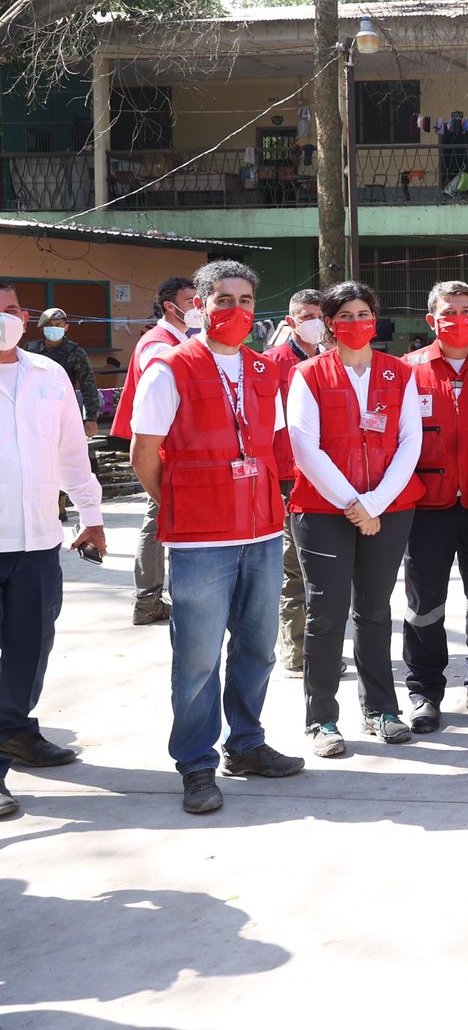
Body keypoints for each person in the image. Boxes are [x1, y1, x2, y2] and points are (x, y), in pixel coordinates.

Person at [129, 260, 306, 815]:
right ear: (199, 306)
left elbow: (273, 445)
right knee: (198, 660)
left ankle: (246, 744)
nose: (236, 309)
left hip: (262, 532)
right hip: (201, 541)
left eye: (245, 300)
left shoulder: (264, 371)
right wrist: (180, 504)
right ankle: (196, 763)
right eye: (223, 299)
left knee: (257, 650)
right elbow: (142, 454)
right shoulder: (169, 368)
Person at [285, 281, 424, 756]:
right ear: (329, 323)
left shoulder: (398, 372)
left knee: (375, 610)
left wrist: (376, 503)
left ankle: (381, 709)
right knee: (325, 613)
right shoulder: (308, 374)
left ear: (375, 319)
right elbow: (304, 445)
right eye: (345, 316)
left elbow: (410, 440)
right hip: (322, 510)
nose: (356, 323)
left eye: (363, 313)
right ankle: (321, 719)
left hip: (388, 508)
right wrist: (353, 503)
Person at [0, 283, 106, 819]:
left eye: (11, 309)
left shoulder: (49, 373)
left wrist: (92, 515)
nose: (6, 319)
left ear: (26, 317)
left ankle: (14, 732)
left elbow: (72, 452)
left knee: (30, 648)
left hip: (38, 540)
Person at [399, 281, 468, 732]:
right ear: (432, 320)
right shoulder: (407, 371)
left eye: (467, 310)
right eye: (449, 311)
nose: (458, 319)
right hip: (428, 506)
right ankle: (424, 690)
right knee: (424, 601)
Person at [112, 274, 198, 626]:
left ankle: (149, 599)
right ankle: (147, 599)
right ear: (169, 306)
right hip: (162, 449)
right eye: (191, 301)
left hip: (172, 447)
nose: (197, 307)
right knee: (158, 517)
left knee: (159, 518)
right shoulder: (159, 346)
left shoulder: (178, 340)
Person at [263, 289, 325, 673]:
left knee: (324, 568)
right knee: (295, 568)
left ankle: (320, 646)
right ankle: (298, 650)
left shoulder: (334, 361)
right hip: (287, 477)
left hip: (329, 477)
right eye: (306, 316)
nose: (315, 322)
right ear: (291, 322)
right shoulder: (271, 364)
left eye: (320, 315)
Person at [23, 307, 99, 433]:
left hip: (65, 413)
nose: (54, 328)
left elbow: (88, 386)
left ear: (66, 327)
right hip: (35, 413)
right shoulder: (30, 350)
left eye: (58, 325)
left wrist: (91, 418)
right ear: (42, 328)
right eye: (49, 325)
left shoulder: (75, 352)